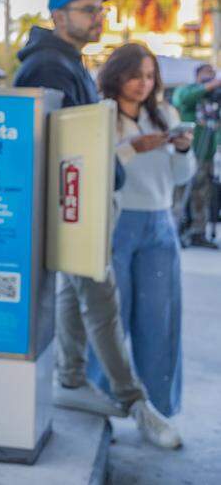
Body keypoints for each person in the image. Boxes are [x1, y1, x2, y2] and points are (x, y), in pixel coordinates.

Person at [13, 0, 181, 449]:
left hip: (81, 204)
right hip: (73, 207)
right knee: (103, 303)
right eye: (88, 10)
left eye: (100, 10)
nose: (98, 18)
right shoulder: (49, 66)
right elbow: (54, 149)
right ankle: (136, 403)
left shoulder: (69, 62)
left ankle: (70, 378)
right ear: (58, 16)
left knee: (76, 294)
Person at [91, 43, 192, 424]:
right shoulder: (101, 114)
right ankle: (102, 402)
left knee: (159, 318)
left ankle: (159, 407)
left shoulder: (166, 114)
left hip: (160, 221)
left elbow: (181, 177)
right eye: (135, 75)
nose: (143, 84)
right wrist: (131, 148)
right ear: (117, 75)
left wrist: (183, 150)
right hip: (115, 221)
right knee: (110, 318)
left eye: (149, 76)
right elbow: (94, 167)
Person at [170, 63, 221, 248]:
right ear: (197, 75)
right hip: (187, 152)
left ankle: (198, 232)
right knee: (181, 192)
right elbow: (182, 99)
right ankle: (175, 229)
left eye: (214, 74)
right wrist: (210, 85)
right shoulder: (188, 91)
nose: (212, 77)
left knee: (202, 194)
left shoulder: (214, 99)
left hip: (206, 156)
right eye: (208, 73)